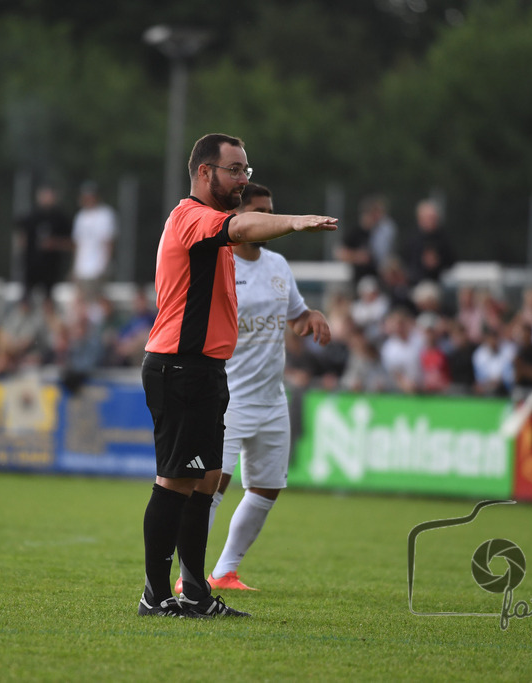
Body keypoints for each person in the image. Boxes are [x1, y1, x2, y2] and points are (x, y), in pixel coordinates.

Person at [138, 134, 336, 618]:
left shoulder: (220, 234)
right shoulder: (191, 217)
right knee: (175, 483)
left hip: (206, 371)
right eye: (234, 170)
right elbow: (243, 225)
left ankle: (196, 592)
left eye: (246, 169)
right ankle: (154, 595)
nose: (243, 178)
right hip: (179, 366)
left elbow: (241, 231)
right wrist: (291, 221)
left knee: (205, 484)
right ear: (205, 173)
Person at [168, 183, 331, 595]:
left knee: (267, 486)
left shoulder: (277, 264)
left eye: (272, 211)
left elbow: (294, 317)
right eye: (262, 212)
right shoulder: (220, 263)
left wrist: (311, 317)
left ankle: (224, 571)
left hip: (272, 398)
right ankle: (188, 578)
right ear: (242, 219)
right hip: (229, 397)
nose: (271, 221)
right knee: (212, 484)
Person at [15, 184, 73, 302]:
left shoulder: (61, 219)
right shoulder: (31, 216)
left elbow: (70, 243)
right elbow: (21, 234)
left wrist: (55, 243)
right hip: (31, 266)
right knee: (25, 299)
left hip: (51, 267)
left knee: (48, 301)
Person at [335, 194, 396, 292]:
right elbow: (340, 253)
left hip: (380, 277)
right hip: (361, 278)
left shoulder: (381, 232)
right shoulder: (356, 232)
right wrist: (358, 257)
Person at [71, 181, 117, 294]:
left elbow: (108, 241)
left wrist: (105, 265)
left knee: (97, 299)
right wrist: (74, 267)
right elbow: (77, 244)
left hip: (98, 267)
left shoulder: (105, 214)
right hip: (82, 268)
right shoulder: (80, 216)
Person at [404, 199, 454, 285]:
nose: (432, 221)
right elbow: (406, 262)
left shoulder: (443, 238)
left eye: (434, 218)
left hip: (439, 282)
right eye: (429, 218)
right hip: (416, 283)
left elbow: (451, 261)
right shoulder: (412, 239)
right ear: (420, 219)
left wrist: (437, 262)